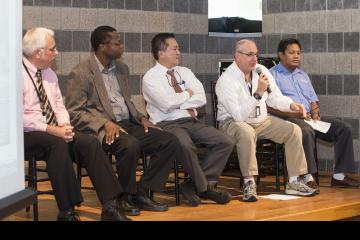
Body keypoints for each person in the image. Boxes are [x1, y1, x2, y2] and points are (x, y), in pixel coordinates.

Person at [64, 26, 179, 212]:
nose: (122, 46)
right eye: (117, 43)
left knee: (169, 140)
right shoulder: (81, 73)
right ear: (102, 46)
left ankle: (141, 192)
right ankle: (123, 197)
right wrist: (104, 123)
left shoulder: (122, 69)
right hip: (101, 127)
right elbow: (74, 113)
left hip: (127, 123)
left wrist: (141, 118)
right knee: (130, 145)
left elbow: (127, 102)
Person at [23, 27, 132, 221]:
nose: (57, 53)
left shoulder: (49, 74)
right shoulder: (15, 75)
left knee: (89, 143)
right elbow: (17, 116)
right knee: (56, 145)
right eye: (52, 49)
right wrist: (52, 130)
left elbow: (58, 105)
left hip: (54, 129)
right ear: (38, 52)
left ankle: (109, 205)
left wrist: (64, 125)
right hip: (27, 132)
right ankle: (67, 211)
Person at [216, 39, 317, 202]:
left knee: (293, 130)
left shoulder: (260, 70)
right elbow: (238, 116)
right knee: (246, 132)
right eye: (249, 54)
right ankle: (249, 183)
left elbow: (274, 97)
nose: (254, 59)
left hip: (261, 121)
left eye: (256, 54)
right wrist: (257, 93)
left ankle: (293, 182)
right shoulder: (226, 80)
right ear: (237, 56)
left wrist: (291, 105)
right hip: (233, 123)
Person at [142, 33, 234, 206]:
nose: (179, 52)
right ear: (161, 53)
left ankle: (194, 184)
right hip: (167, 124)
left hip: (191, 121)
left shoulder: (185, 72)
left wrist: (178, 102)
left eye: (179, 49)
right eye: (174, 48)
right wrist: (187, 94)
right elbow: (166, 104)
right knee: (184, 144)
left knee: (225, 141)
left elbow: (201, 99)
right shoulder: (151, 77)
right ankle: (205, 189)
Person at [269, 38, 360, 189]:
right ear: (281, 55)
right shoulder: (272, 75)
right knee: (306, 130)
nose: (296, 56)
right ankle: (308, 176)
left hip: (309, 118)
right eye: (292, 52)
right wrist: (296, 114)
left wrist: (316, 111)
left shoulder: (303, 75)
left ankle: (339, 177)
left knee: (344, 128)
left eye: (298, 53)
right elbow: (269, 106)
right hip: (286, 118)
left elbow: (313, 100)